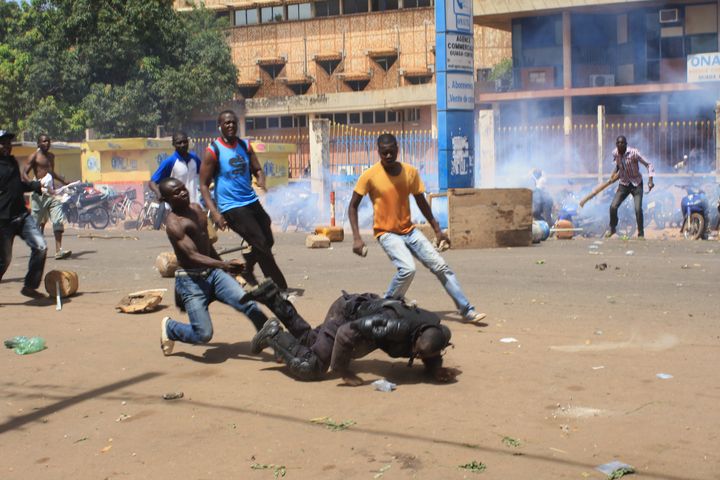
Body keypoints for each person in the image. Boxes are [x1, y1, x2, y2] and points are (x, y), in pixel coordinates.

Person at [348, 133, 486, 323]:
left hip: (410, 231)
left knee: (441, 266)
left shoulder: (410, 172)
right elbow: (352, 206)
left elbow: (421, 202)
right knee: (408, 269)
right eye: (384, 153)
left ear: (397, 149)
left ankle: (467, 310)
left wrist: (437, 229)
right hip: (386, 233)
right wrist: (357, 237)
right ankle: (384, 306)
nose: (388, 156)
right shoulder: (369, 176)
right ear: (378, 152)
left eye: (391, 151)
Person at [246, 279, 458, 386]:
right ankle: (273, 335)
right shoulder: (392, 326)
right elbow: (346, 333)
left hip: (360, 308)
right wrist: (343, 371)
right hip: (347, 316)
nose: (418, 357)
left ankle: (271, 296)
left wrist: (435, 368)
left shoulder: (432, 329)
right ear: (415, 340)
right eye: (419, 354)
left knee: (311, 342)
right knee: (312, 366)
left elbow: (432, 347)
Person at [157, 177, 269, 356]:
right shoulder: (174, 224)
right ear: (166, 200)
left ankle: (274, 343)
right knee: (203, 334)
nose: (183, 192)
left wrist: (225, 270)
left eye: (183, 188)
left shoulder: (196, 209)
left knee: (248, 304)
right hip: (190, 281)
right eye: (176, 192)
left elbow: (207, 246)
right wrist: (224, 264)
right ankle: (171, 328)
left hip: (213, 274)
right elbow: (193, 255)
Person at [199, 110, 288, 290]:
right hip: (231, 207)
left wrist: (261, 179)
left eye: (233, 122)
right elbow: (203, 185)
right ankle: (278, 286)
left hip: (250, 200)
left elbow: (257, 168)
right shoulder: (213, 151)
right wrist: (215, 213)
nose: (231, 125)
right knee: (261, 243)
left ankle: (247, 268)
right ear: (220, 126)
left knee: (268, 237)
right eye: (227, 123)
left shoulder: (245, 146)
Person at [0, 130, 47, 298]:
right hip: (3, 220)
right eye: (2, 143)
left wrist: (34, 186)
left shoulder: (11, 161)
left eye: (8, 143)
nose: (6, 146)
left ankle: (29, 286)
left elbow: (15, 185)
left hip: (22, 215)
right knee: (4, 261)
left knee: (41, 247)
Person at [24, 134, 71, 259]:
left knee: (58, 219)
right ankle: (37, 249)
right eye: (44, 141)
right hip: (39, 194)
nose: (47, 143)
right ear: (38, 144)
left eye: (49, 141)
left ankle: (59, 250)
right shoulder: (34, 156)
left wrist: (63, 181)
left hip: (52, 193)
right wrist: (33, 185)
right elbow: (24, 173)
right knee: (37, 224)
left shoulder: (51, 156)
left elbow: (51, 173)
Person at [149, 131, 201, 230]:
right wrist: (159, 194)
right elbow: (152, 182)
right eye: (179, 143)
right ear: (174, 144)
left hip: (195, 205)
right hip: (177, 209)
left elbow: (204, 174)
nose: (182, 145)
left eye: (185, 142)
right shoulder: (170, 162)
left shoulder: (194, 159)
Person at [606, 136, 654, 239]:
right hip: (624, 184)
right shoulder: (615, 153)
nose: (620, 145)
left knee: (637, 209)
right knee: (613, 207)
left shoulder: (634, 153)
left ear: (626, 144)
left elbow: (648, 164)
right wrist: (613, 175)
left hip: (636, 184)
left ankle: (641, 233)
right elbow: (618, 166)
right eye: (618, 143)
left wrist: (650, 180)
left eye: (622, 143)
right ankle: (613, 228)